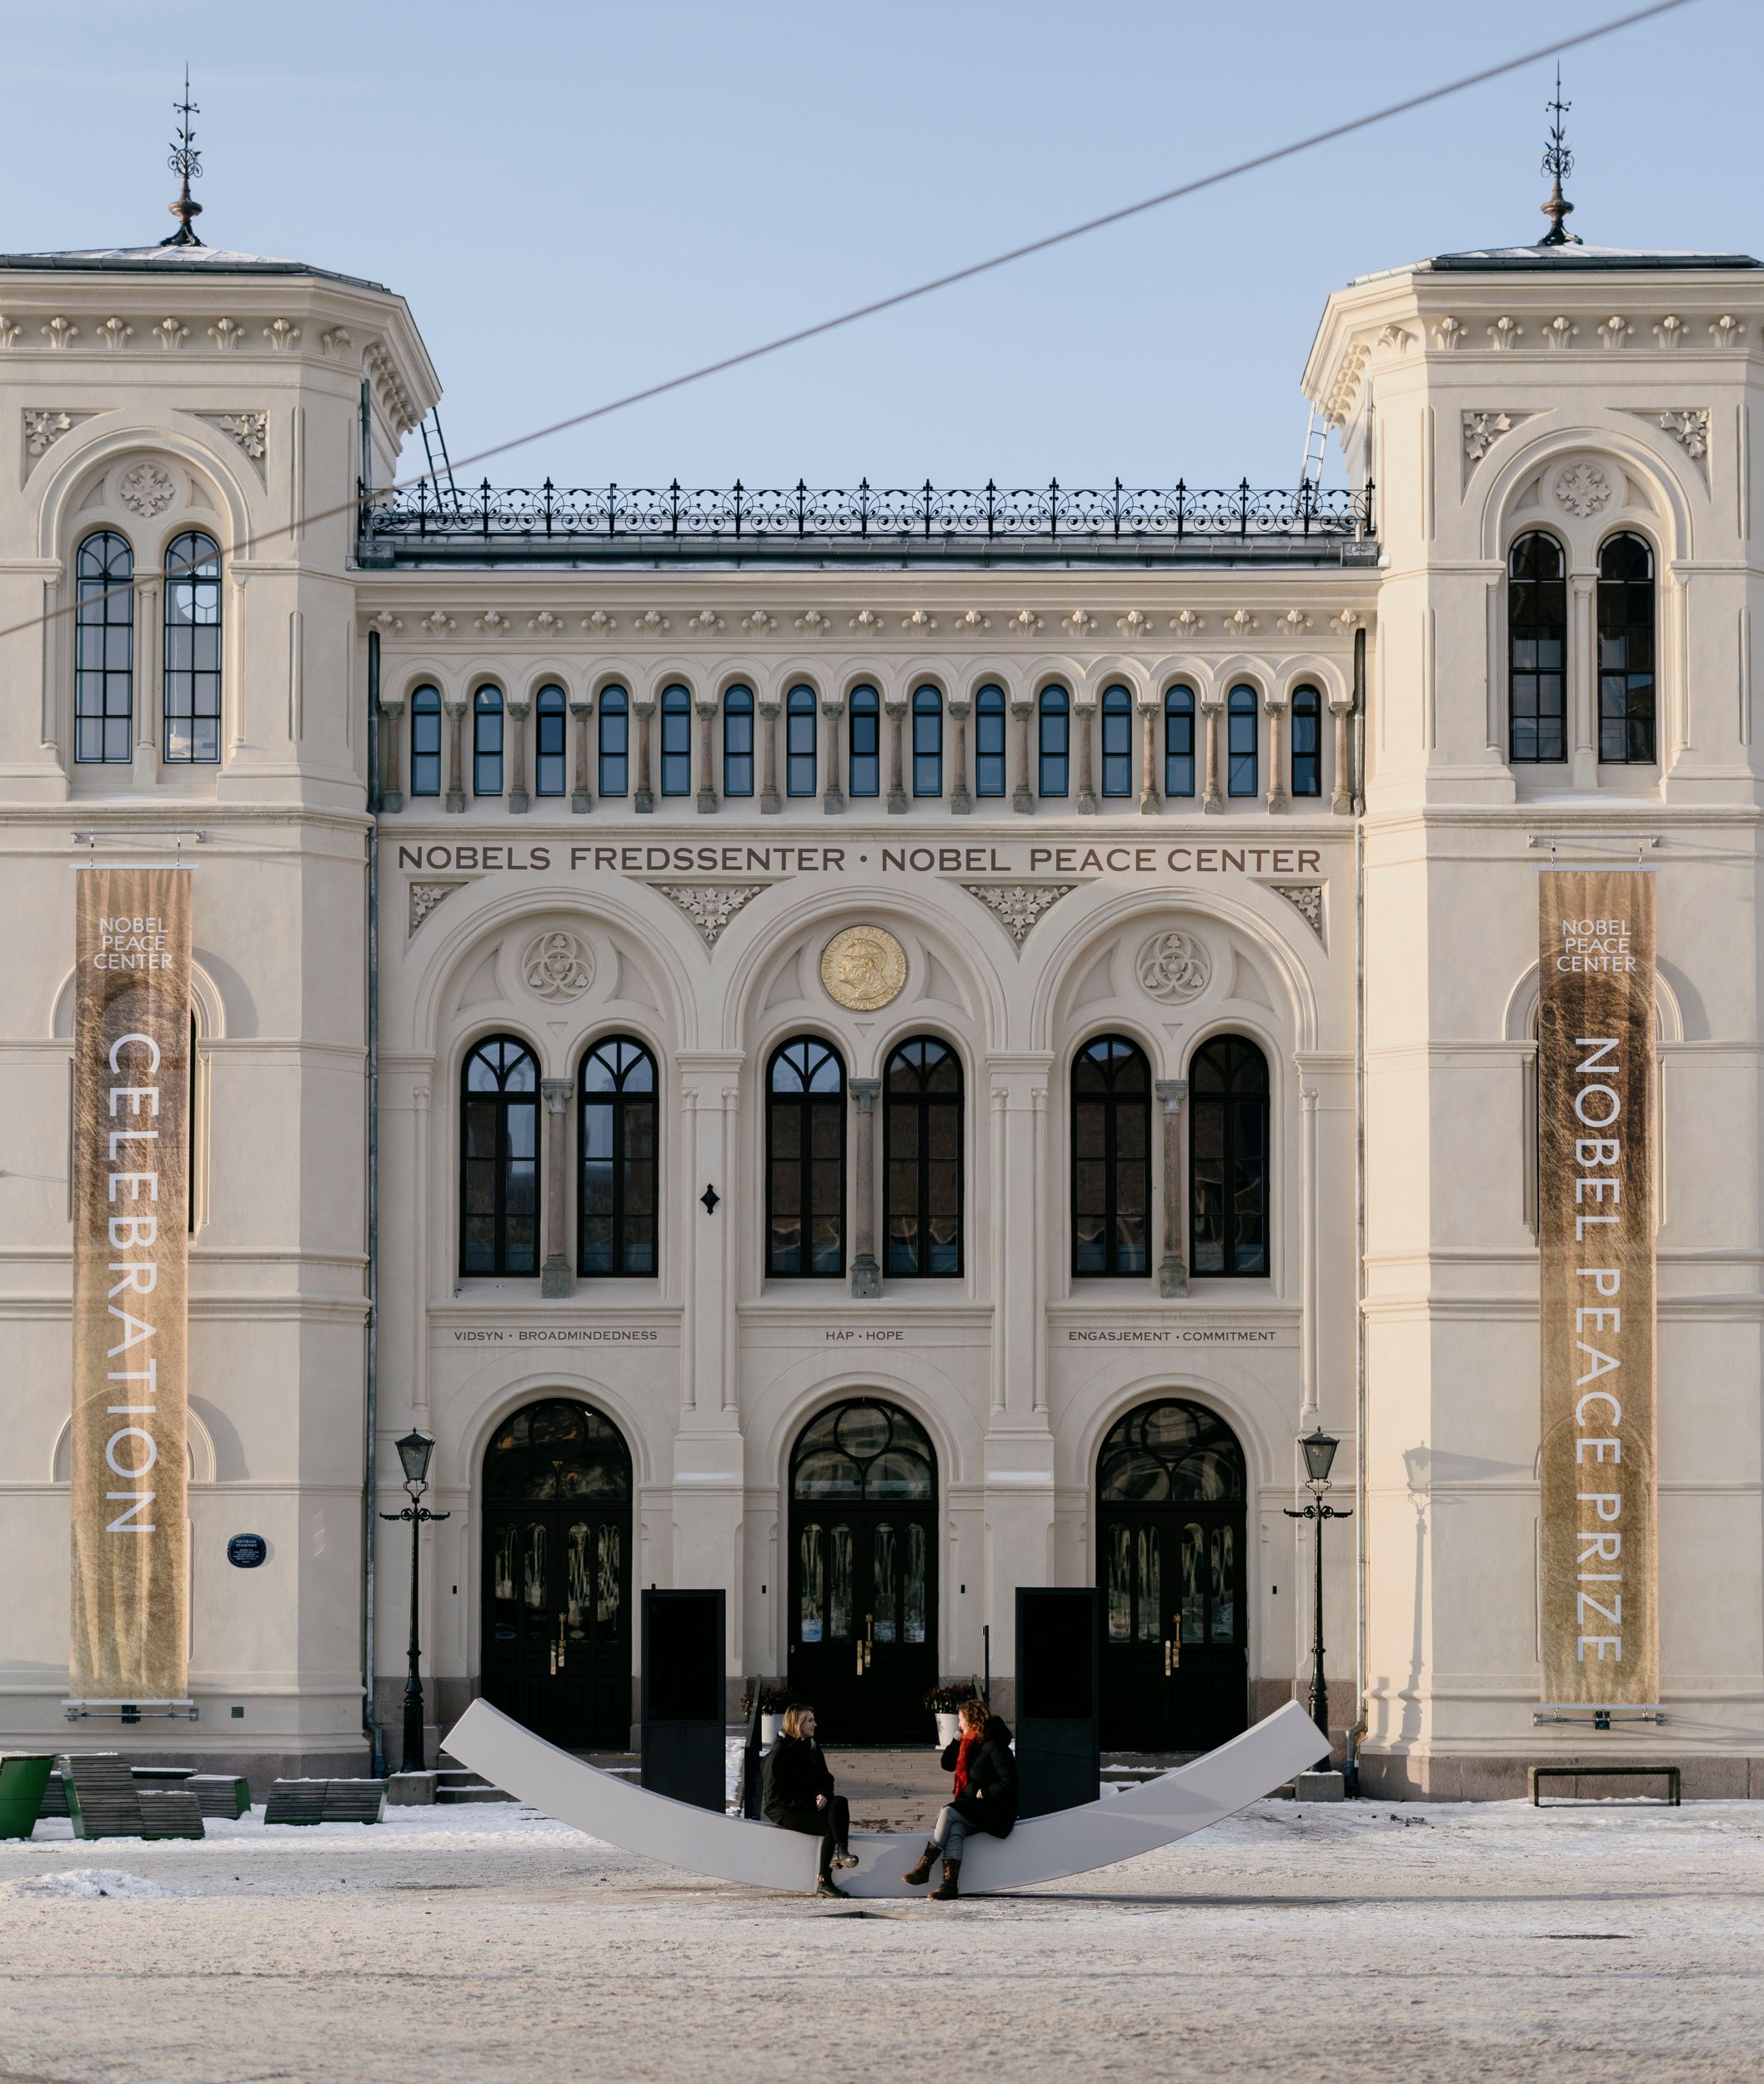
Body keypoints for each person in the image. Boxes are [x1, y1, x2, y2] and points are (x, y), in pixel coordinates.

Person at [903, 1695, 1017, 1900]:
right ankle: (949, 1886)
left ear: (972, 1721)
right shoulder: (968, 1743)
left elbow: (1009, 1782)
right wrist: (956, 1739)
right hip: (973, 1806)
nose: (959, 1723)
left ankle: (924, 1867)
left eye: (962, 1719)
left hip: (994, 1810)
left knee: (948, 1812)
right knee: (955, 1829)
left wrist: (985, 1792)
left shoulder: (994, 1745)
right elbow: (947, 1764)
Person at [763, 1703, 859, 1897]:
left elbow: (826, 1778)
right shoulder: (779, 1752)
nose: (815, 1724)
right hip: (784, 1810)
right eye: (810, 1720)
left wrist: (824, 1794)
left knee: (840, 1802)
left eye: (813, 1720)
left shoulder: (811, 1745)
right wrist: (810, 1804)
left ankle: (841, 1850)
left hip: (808, 1803)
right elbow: (774, 1796)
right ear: (797, 1723)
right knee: (831, 1826)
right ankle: (825, 1881)